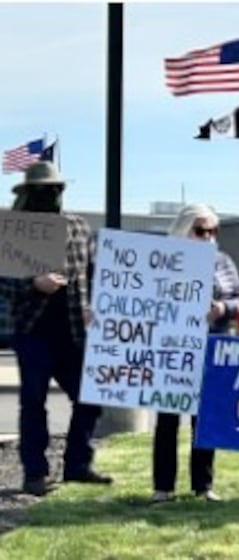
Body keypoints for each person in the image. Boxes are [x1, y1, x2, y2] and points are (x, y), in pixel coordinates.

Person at [0, 161, 111, 496]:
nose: (52, 195)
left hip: (74, 330)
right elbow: (3, 282)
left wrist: (99, 306)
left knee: (89, 398)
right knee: (34, 403)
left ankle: (78, 465)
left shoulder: (78, 226)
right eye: (44, 190)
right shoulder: (15, 229)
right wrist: (35, 283)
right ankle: (35, 473)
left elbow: (94, 272)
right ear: (29, 193)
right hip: (32, 331)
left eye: (56, 189)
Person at [151, 203, 239, 503]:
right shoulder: (162, 260)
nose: (207, 236)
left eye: (212, 231)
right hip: (172, 349)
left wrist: (223, 308)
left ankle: (203, 486)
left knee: (204, 420)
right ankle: (163, 488)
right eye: (200, 230)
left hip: (211, 346)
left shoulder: (223, 261)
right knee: (167, 419)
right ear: (184, 229)